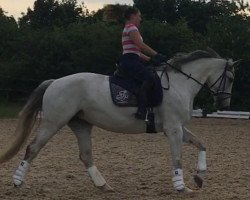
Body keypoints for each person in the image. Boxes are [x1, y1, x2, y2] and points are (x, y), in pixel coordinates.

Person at [106, 6, 166, 120]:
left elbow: (135, 52)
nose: (140, 19)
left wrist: (151, 60)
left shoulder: (128, 28)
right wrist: (156, 55)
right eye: (139, 16)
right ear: (133, 16)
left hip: (131, 59)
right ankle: (142, 110)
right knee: (150, 78)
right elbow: (140, 45)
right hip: (130, 61)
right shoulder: (132, 28)